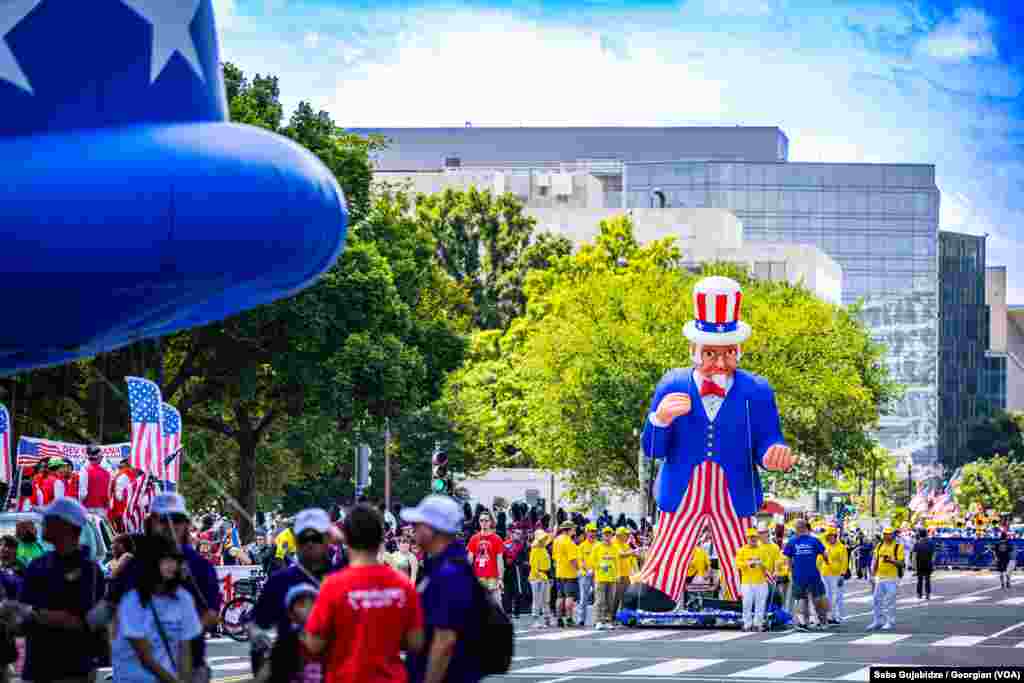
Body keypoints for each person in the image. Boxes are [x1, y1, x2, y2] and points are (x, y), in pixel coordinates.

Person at [630, 276, 795, 612]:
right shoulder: (671, 383)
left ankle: (743, 591)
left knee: (739, 539)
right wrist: (659, 420)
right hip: (683, 485)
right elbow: (653, 449)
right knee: (672, 537)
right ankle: (657, 587)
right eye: (709, 354)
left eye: (728, 353)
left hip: (734, 486)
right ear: (693, 351)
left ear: (739, 350)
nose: (719, 363)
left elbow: (767, 438)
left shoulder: (757, 390)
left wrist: (773, 454)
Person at [303, 504, 425, 683]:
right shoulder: (403, 586)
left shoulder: (333, 586)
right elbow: (415, 642)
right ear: (380, 538)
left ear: (347, 539)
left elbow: (314, 644)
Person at [16, 498, 107, 683]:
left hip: (74, 670)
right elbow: (22, 614)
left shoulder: (90, 570)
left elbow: (84, 622)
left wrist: (38, 614)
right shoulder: (37, 565)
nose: (42, 523)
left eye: (48, 519)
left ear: (65, 526)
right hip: (37, 668)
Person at [401, 495, 484, 683]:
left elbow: (444, 640)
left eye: (417, 526)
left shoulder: (449, 573)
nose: (413, 531)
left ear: (432, 530)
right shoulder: (448, 565)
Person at [251, 509, 344, 676]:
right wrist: (261, 657)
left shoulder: (343, 576)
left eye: (315, 537)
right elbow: (257, 624)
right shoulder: (279, 581)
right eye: (303, 538)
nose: (310, 543)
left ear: (328, 539)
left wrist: (342, 540)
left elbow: (365, 550)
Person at [111, 534, 202, 683]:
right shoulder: (132, 601)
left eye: (175, 560)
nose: (172, 565)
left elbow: (185, 649)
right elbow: (145, 656)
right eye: (165, 560)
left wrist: (184, 679)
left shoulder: (184, 599)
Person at [783, 519, 829, 631]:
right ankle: (821, 622)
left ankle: (805, 622)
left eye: (796, 528)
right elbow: (824, 553)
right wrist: (826, 561)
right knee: (816, 598)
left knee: (802, 599)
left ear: (801, 528)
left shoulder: (792, 541)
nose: (796, 530)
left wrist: (790, 570)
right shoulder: (814, 540)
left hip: (799, 575)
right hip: (812, 574)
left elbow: (788, 558)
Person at [867, 527, 904, 631]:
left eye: (889, 534)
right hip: (879, 577)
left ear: (893, 535)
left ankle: (889, 621)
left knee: (889, 600)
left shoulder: (898, 547)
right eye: (885, 534)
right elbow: (875, 561)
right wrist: (872, 576)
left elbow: (902, 563)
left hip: (892, 578)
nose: (887, 536)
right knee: (876, 600)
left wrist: (892, 560)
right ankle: (877, 621)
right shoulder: (879, 546)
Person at [736, 527, 770, 631]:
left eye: (754, 537)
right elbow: (737, 564)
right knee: (747, 603)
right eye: (751, 537)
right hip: (747, 582)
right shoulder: (742, 550)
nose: (753, 539)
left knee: (760, 603)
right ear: (747, 538)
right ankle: (747, 624)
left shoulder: (763, 550)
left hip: (761, 582)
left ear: (757, 538)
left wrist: (761, 564)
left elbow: (768, 565)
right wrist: (747, 564)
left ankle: (757, 624)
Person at [466, 511, 504, 604]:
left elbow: (500, 560)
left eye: (486, 520)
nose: (483, 522)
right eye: (481, 520)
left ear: (490, 522)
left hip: (493, 578)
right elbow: (469, 560)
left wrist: (500, 579)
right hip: (478, 578)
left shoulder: (497, 539)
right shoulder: (474, 539)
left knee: (496, 606)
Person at [589, 527, 620, 630]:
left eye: (609, 534)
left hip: (612, 578)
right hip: (600, 578)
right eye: (605, 535)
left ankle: (607, 620)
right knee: (600, 600)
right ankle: (598, 621)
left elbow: (617, 563)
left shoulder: (614, 548)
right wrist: (600, 566)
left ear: (612, 536)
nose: (607, 537)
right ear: (602, 535)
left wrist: (617, 575)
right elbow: (591, 562)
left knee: (610, 600)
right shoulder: (597, 547)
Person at [820, 527, 848, 625]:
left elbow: (844, 561)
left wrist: (842, 574)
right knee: (827, 596)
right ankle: (829, 616)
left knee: (837, 596)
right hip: (824, 574)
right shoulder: (824, 545)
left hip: (836, 575)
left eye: (831, 536)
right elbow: (819, 559)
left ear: (835, 536)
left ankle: (838, 616)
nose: (829, 538)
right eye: (828, 536)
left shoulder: (841, 547)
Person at [78, 445, 113, 518]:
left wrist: (80, 503)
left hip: (88, 508)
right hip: (103, 508)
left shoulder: (85, 470)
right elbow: (109, 493)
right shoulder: (107, 472)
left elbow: (82, 493)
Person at [528, 531, 553, 628]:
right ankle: (536, 620)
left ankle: (547, 619)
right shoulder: (535, 549)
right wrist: (540, 575)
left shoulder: (543, 547)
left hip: (544, 576)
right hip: (536, 578)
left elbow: (551, 536)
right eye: (542, 538)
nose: (544, 539)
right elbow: (533, 565)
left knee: (546, 599)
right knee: (537, 599)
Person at [575, 524, 597, 627]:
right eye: (590, 531)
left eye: (594, 531)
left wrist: (594, 569)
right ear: (586, 532)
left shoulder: (599, 545)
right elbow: (580, 560)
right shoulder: (581, 546)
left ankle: (598, 619)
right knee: (584, 597)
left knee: (598, 597)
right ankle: (581, 619)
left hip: (597, 574)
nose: (592, 533)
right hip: (585, 575)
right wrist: (586, 569)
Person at [912, 529, 934, 599]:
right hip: (928, 563)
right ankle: (928, 594)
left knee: (919, 580)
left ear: (919, 535)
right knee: (927, 580)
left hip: (919, 564)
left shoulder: (917, 543)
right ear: (926, 534)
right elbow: (934, 555)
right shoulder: (931, 543)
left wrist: (914, 567)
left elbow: (914, 556)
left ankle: (919, 594)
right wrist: (932, 562)